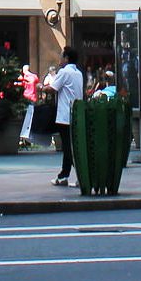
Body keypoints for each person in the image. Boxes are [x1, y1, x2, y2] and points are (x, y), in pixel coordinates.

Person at [44, 46, 84, 187]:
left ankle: (81, 174)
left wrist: (40, 87)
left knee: (68, 148)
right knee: (70, 146)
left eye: (61, 56)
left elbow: (52, 89)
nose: (59, 59)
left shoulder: (64, 72)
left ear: (66, 58)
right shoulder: (78, 73)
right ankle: (63, 175)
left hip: (64, 116)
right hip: (76, 115)